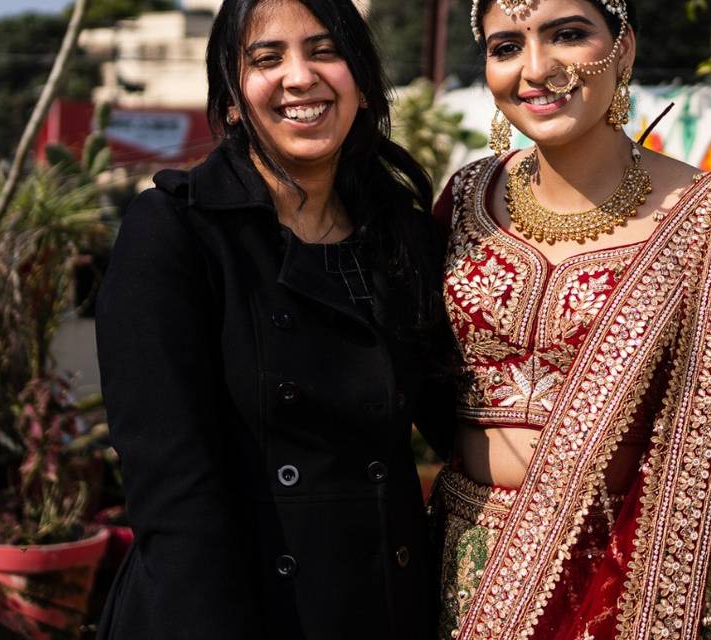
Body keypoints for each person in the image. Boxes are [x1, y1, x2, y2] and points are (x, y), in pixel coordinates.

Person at [430, 0, 711, 638]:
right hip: (469, 585)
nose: (535, 69)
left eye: (568, 35)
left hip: (655, 595)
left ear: (623, 48)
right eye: (506, 45)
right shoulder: (462, 202)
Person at [95, 0, 452, 637]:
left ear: (363, 83)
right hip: (227, 605)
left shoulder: (401, 236)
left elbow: (460, 417)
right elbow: (172, 489)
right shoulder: (175, 232)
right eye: (267, 58)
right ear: (232, 100)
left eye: (324, 51)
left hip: (382, 605)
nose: (299, 77)